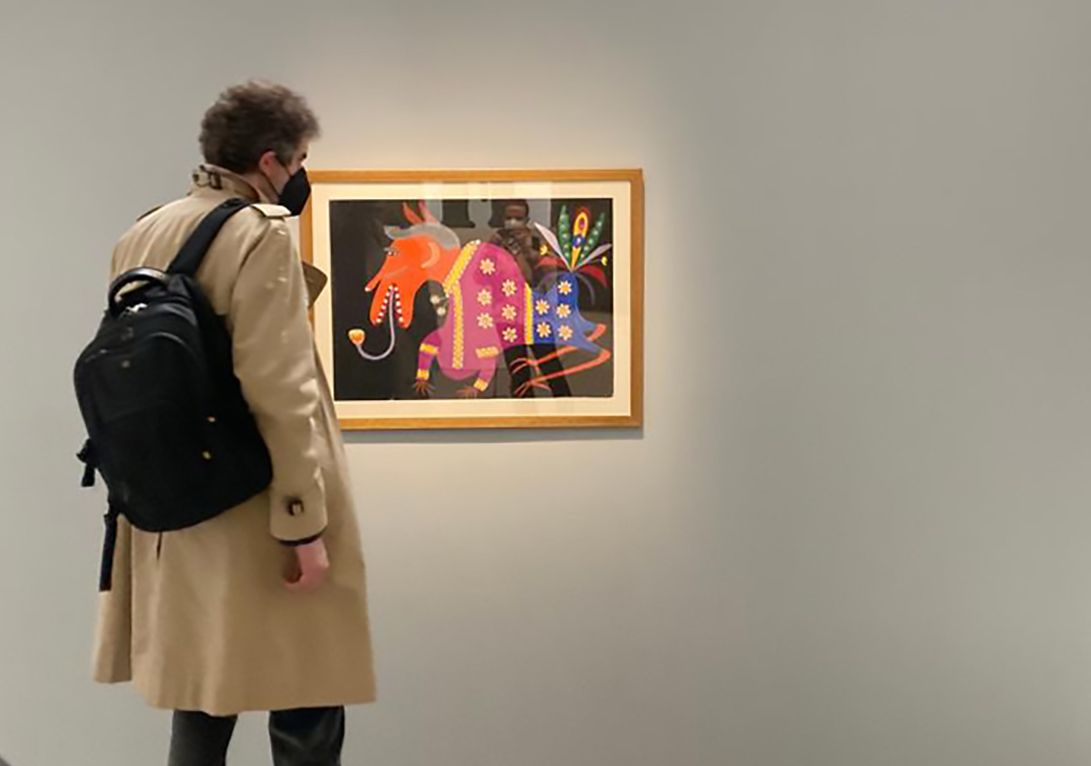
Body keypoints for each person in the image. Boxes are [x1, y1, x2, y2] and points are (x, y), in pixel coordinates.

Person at [92, 81, 376, 766]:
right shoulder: (258, 232)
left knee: (203, 693)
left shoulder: (146, 229)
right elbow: (281, 389)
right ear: (270, 161)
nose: (300, 175)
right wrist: (303, 525)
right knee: (307, 686)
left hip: (174, 503)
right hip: (256, 502)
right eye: (299, 160)